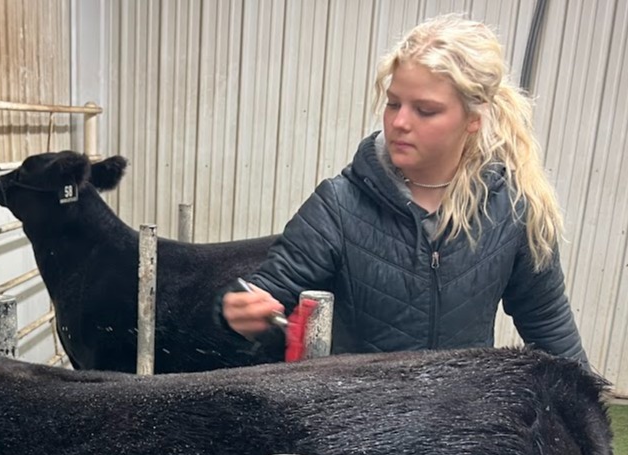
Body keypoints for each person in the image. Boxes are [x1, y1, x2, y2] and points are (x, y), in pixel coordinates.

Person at [222, 14, 589, 367]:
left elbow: (547, 321)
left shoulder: (512, 209)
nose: (399, 122)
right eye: (394, 103)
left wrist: (589, 411)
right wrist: (238, 315)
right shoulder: (338, 205)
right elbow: (267, 299)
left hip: (462, 420)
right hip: (358, 421)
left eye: (425, 110)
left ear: (474, 119)